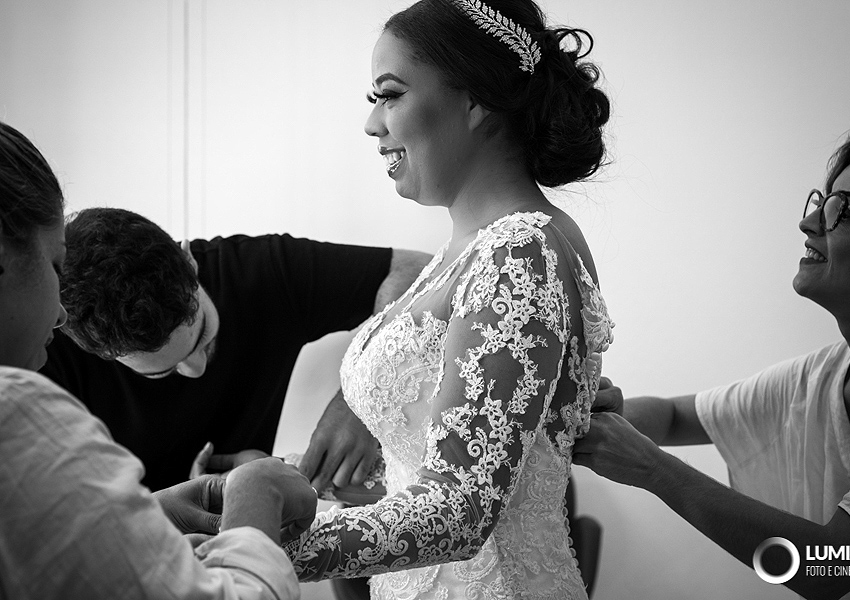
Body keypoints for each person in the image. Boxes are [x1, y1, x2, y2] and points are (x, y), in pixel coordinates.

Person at [279, 1, 615, 598]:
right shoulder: (459, 255)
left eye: (390, 95)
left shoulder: (519, 252)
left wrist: (262, 542)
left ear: (474, 100)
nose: (372, 124)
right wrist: (300, 487)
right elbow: (442, 469)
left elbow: (461, 512)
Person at [573, 129, 850, 600]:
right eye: (820, 203)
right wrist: (587, 415)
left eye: (843, 212)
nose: (808, 223)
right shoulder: (826, 378)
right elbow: (675, 416)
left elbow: (828, 568)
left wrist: (651, 469)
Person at [0, 119, 319, 599]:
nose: (60, 311)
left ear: (190, 263)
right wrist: (256, 493)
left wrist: (151, 514)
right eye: (56, 264)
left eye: (201, 335)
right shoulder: (18, 410)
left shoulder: (265, 266)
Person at [40, 205, 430, 493]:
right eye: (164, 370)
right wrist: (186, 509)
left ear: (189, 260)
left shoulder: (257, 270)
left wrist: (364, 395)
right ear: (101, 354)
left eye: (203, 335)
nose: (196, 370)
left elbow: (421, 273)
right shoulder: (44, 359)